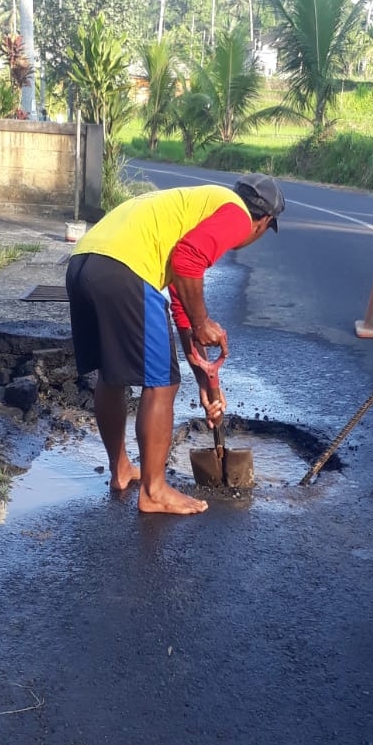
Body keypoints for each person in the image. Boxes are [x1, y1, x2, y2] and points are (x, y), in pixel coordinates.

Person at [66, 175, 286, 515]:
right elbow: (187, 261)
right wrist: (203, 322)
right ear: (264, 222)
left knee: (112, 375)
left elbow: (181, 295)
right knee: (163, 383)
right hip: (127, 269)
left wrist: (203, 377)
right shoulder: (238, 215)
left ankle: (121, 469)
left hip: (84, 262)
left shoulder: (202, 202)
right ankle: (154, 491)